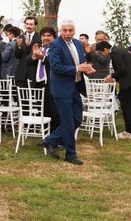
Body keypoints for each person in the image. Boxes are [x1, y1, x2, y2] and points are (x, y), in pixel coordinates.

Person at [40, 20, 94, 165]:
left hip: (76, 87)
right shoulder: (55, 45)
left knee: (77, 119)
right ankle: (70, 154)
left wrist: (88, 68)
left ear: (74, 31)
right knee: (68, 122)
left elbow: (81, 61)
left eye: (70, 30)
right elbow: (56, 67)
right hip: (61, 89)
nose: (68, 33)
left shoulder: (77, 43)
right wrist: (77, 69)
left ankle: (50, 140)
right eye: (65, 30)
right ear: (60, 31)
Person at [99, 41, 131, 139]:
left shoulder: (114, 53)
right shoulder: (118, 49)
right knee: (124, 100)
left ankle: (129, 132)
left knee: (125, 105)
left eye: (102, 53)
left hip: (130, 81)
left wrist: (112, 76)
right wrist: (115, 78)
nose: (103, 55)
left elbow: (122, 69)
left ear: (105, 49)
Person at [31, 27, 60, 129]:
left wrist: (42, 57)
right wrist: (34, 55)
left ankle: (55, 136)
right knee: (42, 110)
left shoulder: (57, 48)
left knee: (54, 111)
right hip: (39, 83)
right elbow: (27, 63)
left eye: (48, 36)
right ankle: (45, 136)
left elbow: (55, 64)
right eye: (43, 36)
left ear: (54, 37)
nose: (46, 38)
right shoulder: (38, 47)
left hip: (52, 83)